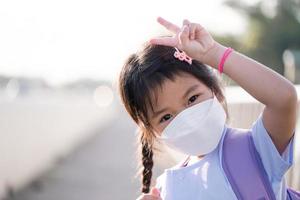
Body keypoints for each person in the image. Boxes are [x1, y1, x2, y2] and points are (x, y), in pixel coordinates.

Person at [118, 16, 298, 200]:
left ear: (216, 91)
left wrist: (214, 53)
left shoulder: (257, 149)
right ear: (151, 132)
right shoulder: (167, 189)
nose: (186, 119)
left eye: (192, 98)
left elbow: (283, 98)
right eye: (166, 117)